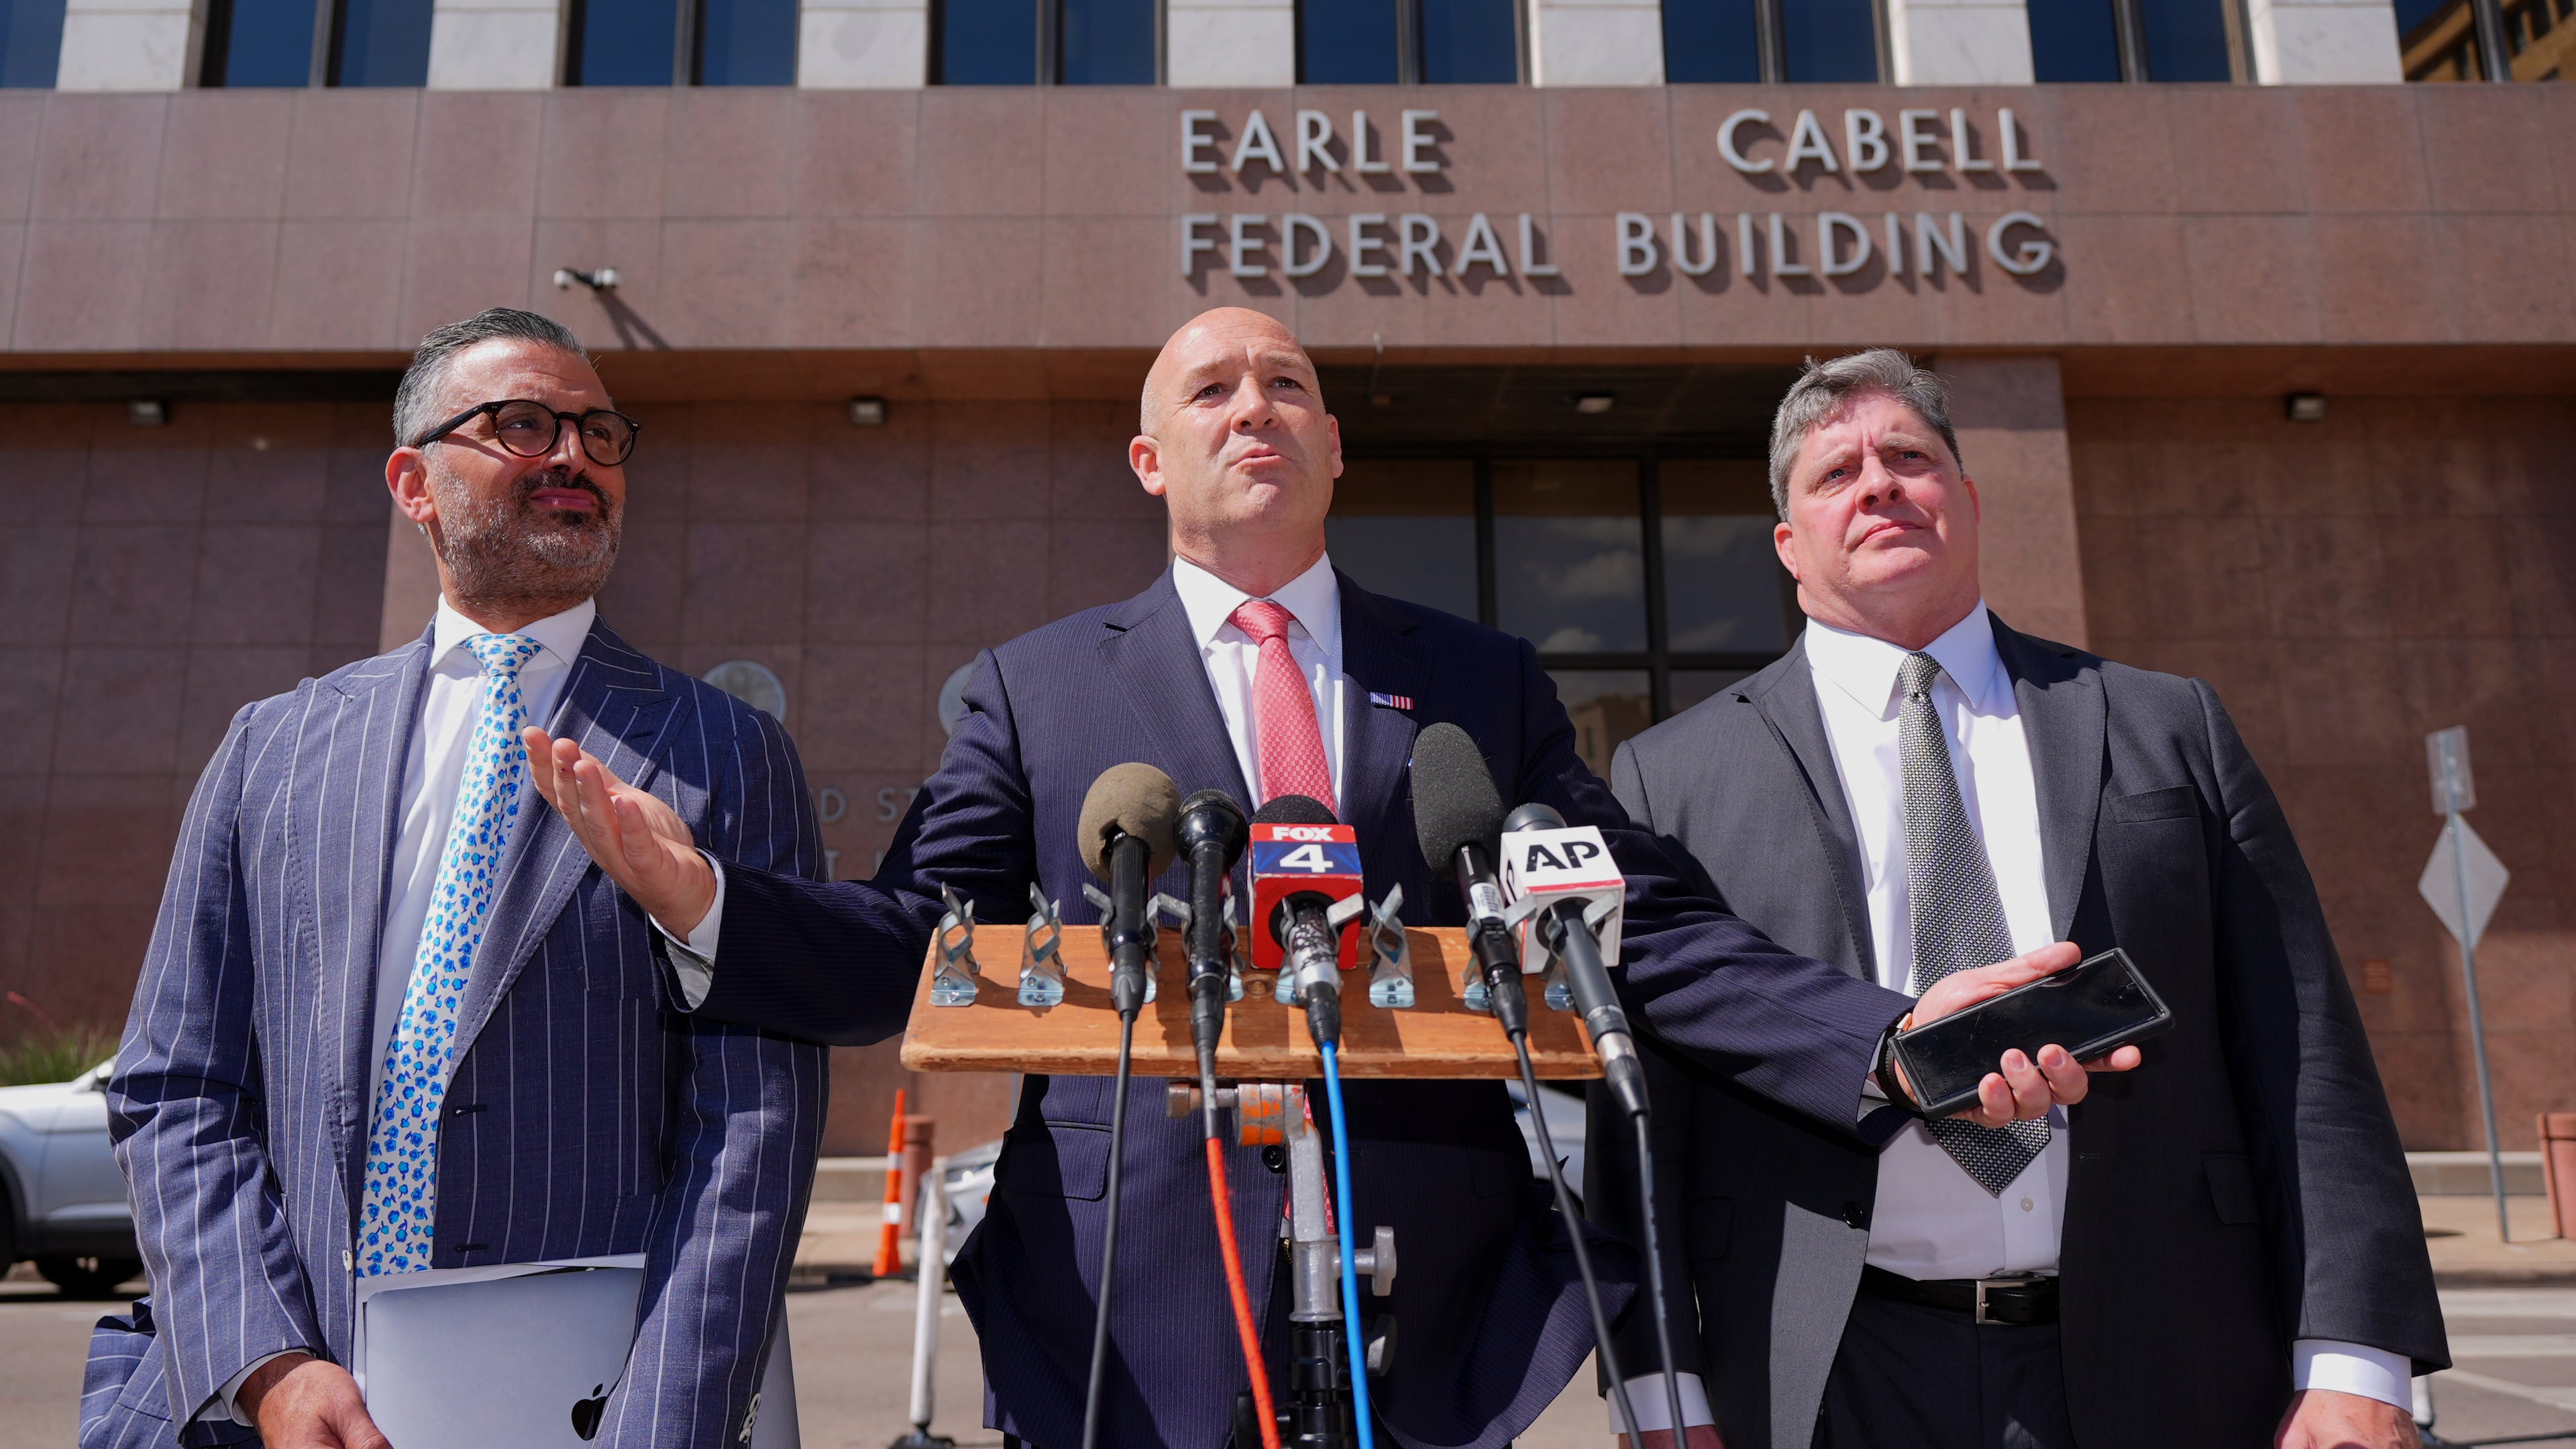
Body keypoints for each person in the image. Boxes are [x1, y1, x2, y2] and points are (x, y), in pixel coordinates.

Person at [522, 309, 2098, 1449]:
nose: (1254, 406)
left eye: (1289, 383)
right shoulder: (1036, 688)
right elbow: (909, 944)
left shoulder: (1477, 680)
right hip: (1119, 1315)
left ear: (1337, 444)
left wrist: (1891, 1040)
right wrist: (707, 901)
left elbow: (1646, 922)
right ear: (1152, 458)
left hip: (1446, 1306)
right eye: (1212, 387)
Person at [1586, 348, 2448, 1449]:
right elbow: (1640, 1106)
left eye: (1911, 457)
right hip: (1829, 1371)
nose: (1881, 484)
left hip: (2168, 1355)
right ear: (1788, 544)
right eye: (1836, 472)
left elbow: (2305, 1040)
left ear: (1970, 500)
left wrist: (2355, 1358)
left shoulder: (2165, 723)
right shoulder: (1673, 776)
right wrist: (1660, 1393)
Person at [80, 308, 830, 1449]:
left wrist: (661, 1425)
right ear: (414, 481)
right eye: (524, 425)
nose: (575, 456)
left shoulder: (725, 754)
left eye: (598, 433)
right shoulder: (274, 748)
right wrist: (266, 1364)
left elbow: (754, 1128)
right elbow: (177, 1085)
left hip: (582, 1407)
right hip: (288, 1402)